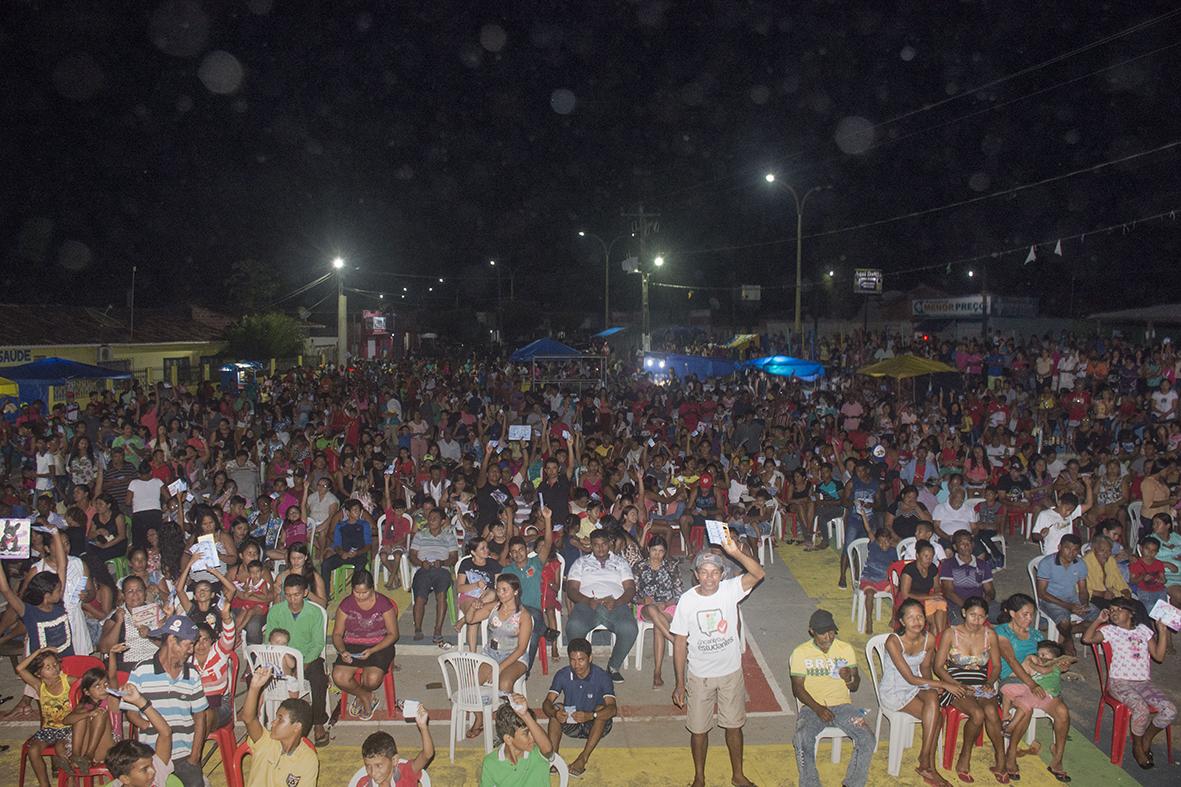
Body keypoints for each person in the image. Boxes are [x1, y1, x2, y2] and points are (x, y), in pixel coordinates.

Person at [671, 534, 765, 787]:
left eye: (715, 572)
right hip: (699, 676)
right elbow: (680, 643)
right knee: (698, 730)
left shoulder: (730, 590)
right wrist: (680, 683)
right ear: (696, 575)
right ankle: (699, 777)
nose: (709, 577)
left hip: (730, 673)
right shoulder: (687, 601)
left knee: (734, 726)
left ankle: (738, 774)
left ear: (722, 575)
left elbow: (758, 574)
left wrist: (735, 553)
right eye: (704, 572)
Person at [1082, 599, 1177, 769]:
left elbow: (1159, 656)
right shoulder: (1110, 630)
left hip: (1143, 683)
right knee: (1141, 708)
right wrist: (1098, 620)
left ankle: (1146, 737)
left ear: (1131, 613)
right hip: (1120, 683)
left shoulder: (1143, 630)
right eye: (1112, 610)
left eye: (1119, 609)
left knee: (1170, 710)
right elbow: (1087, 638)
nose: (1114, 612)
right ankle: (1137, 746)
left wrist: (1162, 631)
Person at [790, 608, 875, 787]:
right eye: (822, 633)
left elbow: (855, 686)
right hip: (812, 707)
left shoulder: (845, 649)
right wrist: (818, 709)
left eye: (831, 631)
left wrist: (849, 678)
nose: (828, 637)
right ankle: (811, 784)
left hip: (843, 706)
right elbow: (797, 689)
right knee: (802, 737)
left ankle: (853, 783)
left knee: (867, 737)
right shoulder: (800, 653)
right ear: (811, 631)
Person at [121, 616, 208, 787]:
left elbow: (200, 717)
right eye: (188, 644)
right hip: (151, 757)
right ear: (171, 640)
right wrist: (145, 724)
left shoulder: (192, 674)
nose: (192, 650)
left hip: (184, 755)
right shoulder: (141, 670)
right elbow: (130, 711)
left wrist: (195, 756)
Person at [995, 594, 1073, 782]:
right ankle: (1011, 755)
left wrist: (1058, 665)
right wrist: (1032, 683)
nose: (1030, 619)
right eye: (1025, 614)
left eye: (1032, 615)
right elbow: (1012, 661)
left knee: (1062, 711)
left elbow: (1045, 659)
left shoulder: (1036, 634)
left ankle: (1057, 759)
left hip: (1038, 681)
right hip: (1012, 680)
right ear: (1012, 613)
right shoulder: (1001, 632)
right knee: (1026, 709)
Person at [876, 599, 951, 787]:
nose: (916, 621)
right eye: (910, 617)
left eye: (919, 616)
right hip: (895, 691)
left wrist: (932, 686)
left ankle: (925, 761)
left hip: (916, 686)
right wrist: (942, 683)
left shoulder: (929, 639)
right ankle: (927, 765)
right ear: (901, 621)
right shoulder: (893, 641)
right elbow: (909, 677)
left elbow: (925, 669)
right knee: (938, 718)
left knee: (933, 698)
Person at [933, 596, 1006, 783]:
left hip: (981, 684)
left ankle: (1001, 759)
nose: (976, 620)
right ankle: (965, 755)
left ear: (986, 617)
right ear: (964, 613)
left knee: (991, 710)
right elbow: (939, 666)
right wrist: (954, 685)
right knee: (977, 714)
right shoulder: (951, 633)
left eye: (981, 617)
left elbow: (996, 666)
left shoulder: (990, 635)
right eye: (972, 615)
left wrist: (990, 681)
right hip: (955, 684)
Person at [461, 573, 534, 739]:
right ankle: (480, 719)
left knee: (505, 682)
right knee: (469, 681)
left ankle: (507, 726)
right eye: (499, 589)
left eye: (505, 590)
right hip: (491, 654)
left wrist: (499, 668)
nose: (500, 593)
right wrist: (473, 606)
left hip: (514, 657)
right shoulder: (493, 607)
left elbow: (521, 649)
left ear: (515, 592)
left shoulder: (523, 616)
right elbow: (470, 619)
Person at [265, 574, 330, 747]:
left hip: (308, 657)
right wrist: (280, 661)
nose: (292, 599)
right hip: (281, 658)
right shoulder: (276, 611)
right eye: (288, 595)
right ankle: (266, 718)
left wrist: (301, 665)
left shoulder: (314, 612)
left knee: (319, 679)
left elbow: (317, 644)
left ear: (305, 592)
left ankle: (318, 722)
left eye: (297, 595)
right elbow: (268, 640)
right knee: (256, 678)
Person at [565, 528, 638, 682]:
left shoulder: (620, 562)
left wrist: (617, 602)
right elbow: (571, 590)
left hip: (615, 604)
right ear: (591, 546)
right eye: (596, 545)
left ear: (610, 544)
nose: (600, 548)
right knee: (574, 626)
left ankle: (613, 667)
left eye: (604, 544)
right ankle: (581, 669)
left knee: (630, 628)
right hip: (587, 604)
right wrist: (587, 601)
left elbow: (630, 588)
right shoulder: (581, 562)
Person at [541, 637, 618, 778]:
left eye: (581, 660)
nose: (576, 665)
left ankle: (583, 758)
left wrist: (590, 716)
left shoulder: (602, 676)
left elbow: (613, 709)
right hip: (572, 723)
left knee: (602, 710)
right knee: (556, 708)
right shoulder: (563, 675)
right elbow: (547, 703)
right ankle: (553, 758)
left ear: (590, 658)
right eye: (573, 660)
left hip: (595, 725)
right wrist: (555, 713)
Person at [331, 569, 399, 721]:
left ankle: (363, 693)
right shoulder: (346, 604)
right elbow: (336, 634)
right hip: (352, 644)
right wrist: (342, 651)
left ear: (372, 588)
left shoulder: (383, 603)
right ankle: (365, 696)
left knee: (372, 680)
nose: (360, 596)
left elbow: (393, 634)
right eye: (357, 592)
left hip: (380, 645)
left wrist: (373, 649)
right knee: (339, 677)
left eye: (365, 593)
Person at [240, 667, 319, 787]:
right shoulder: (266, 741)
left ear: (297, 727)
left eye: (280, 719)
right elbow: (248, 718)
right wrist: (254, 687)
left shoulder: (308, 759)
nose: (273, 723)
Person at [15, 647, 74, 786]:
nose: (54, 668)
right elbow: (19, 668)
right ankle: (44, 784)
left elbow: (87, 683)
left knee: (61, 749)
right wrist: (40, 651)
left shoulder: (67, 681)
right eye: (47, 667)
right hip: (49, 729)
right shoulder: (39, 685)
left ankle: (70, 780)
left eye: (55, 664)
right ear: (38, 673)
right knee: (33, 750)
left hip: (69, 729)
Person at [1035, 534, 1099, 656]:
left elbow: (1083, 589)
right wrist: (1069, 606)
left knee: (1100, 618)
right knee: (1064, 621)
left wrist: (1084, 605)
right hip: (1050, 599)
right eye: (1067, 548)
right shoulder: (1047, 563)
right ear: (1059, 547)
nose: (1071, 553)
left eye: (1075, 550)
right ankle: (1068, 641)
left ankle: (1066, 632)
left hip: (1072, 598)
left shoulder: (1080, 564)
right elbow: (1042, 593)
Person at [101, 683, 175, 787]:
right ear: (125, 779)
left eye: (151, 764)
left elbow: (166, 733)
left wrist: (139, 701)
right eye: (144, 770)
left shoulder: (157, 775)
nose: (152, 771)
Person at [634, 534, 684, 685]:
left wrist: (667, 602)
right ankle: (674, 640)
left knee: (658, 627)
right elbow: (632, 593)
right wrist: (643, 600)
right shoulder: (639, 567)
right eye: (654, 550)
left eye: (661, 551)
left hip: (668, 607)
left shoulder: (671, 566)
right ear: (648, 549)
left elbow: (679, 592)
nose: (657, 554)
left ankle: (657, 672)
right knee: (653, 610)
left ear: (665, 552)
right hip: (645, 607)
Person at [408, 507, 459, 645]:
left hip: (441, 569)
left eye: (435, 518)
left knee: (441, 594)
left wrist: (443, 562)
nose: (431, 520)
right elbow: (412, 554)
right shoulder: (420, 534)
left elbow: (454, 557)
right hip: (424, 568)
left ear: (443, 521)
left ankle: (438, 630)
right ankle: (417, 628)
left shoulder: (448, 536)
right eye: (430, 518)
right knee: (420, 595)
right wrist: (420, 562)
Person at [479, 697, 554, 787]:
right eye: (526, 733)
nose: (533, 738)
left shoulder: (537, 753)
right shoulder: (490, 763)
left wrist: (525, 715)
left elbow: (548, 749)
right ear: (508, 739)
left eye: (532, 731)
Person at [1000, 640, 1075, 724]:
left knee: (1023, 704)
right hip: (1031, 688)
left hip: (1044, 693)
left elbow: (1043, 670)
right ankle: (1005, 715)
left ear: (1054, 658)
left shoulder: (1053, 665)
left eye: (1043, 655)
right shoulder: (1037, 661)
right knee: (1007, 690)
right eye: (1038, 655)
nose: (1040, 657)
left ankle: (1010, 727)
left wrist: (1031, 663)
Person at [190, 597, 237, 732]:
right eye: (197, 640)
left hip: (220, 705)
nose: (201, 644)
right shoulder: (187, 658)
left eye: (205, 640)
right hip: (195, 705)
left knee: (205, 715)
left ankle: (195, 750)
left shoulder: (219, 652)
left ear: (211, 640)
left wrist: (226, 618)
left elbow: (229, 635)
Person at [356, 710, 436, 787]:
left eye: (379, 765)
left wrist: (423, 727)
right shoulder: (363, 784)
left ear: (394, 760)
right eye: (368, 766)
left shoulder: (406, 773)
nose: (373, 773)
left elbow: (427, 755)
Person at [939, 531, 999, 623]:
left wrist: (983, 604)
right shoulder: (949, 564)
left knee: (1001, 615)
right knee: (960, 623)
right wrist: (969, 607)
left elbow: (990, 590)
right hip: (957, 604)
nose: (966, 546)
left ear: (973, 545)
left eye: (968, 543)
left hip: (979, 603)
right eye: (962, 543)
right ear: (955, 547)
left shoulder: (982, 564)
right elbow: (949, 592)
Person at [319, 498, 374, 593]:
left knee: (360, 567)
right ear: (348, 513)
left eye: (359, 510)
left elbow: (368, 545)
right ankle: (325, 594)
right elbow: (337, 544)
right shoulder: (340, 526)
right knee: (325, 564)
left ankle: (356, 593)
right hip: (343, 554)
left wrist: (357, 553)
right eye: (355, 510)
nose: (358, 512)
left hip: (359, 554)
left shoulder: (364, 525)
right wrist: (342, 553)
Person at [1031, 480, 1093, 555]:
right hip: (1052, 552)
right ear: (1059, 503)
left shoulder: (1070, 514)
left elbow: (1089, 504)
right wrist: (1041, 535)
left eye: (1071, 511)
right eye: (1066, 509)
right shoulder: (1045, 515)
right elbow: (1035, 536)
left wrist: (1088, 485)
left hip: (1068, 552)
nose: (1068, 513)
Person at [899, 540, 947, 634]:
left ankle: (939, 637)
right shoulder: (909, 570)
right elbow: (905, 594)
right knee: (933, 620)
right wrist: (930, 597)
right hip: (910, 600)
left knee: (941, 605)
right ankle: (936, 639)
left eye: (931, 557)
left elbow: (937, 586)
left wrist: (937, 593)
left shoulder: (933, 568)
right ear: (917, 556)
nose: (929, 559)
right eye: (926, 556)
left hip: (927, 598)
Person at [859, 528, 896, 634]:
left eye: (886, 541)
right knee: (869, 594)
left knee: (897, 592)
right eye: (880, 542)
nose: (883, 544)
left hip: (883, 581)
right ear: (876, 541)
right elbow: (869, 531)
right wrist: (864, 516)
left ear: (891, 541)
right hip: (869, 578)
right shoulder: (874, 546)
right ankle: (869, 620)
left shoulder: (893, 551)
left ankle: (894, 618)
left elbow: (897, 565)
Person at [1129, 535, 1170, 610]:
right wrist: (1142, 577)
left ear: (1157, 552)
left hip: (1160, 591)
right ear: (1141, 548)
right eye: (1147, 549)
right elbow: (1132, 580)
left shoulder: (1159, 563)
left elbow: (1164, 579)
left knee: (1163, 610)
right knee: (1149, 609)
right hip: (1144, 592)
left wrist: (1161, 580)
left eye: (1153, 550)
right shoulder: (1136, 564)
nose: (1150, 552)